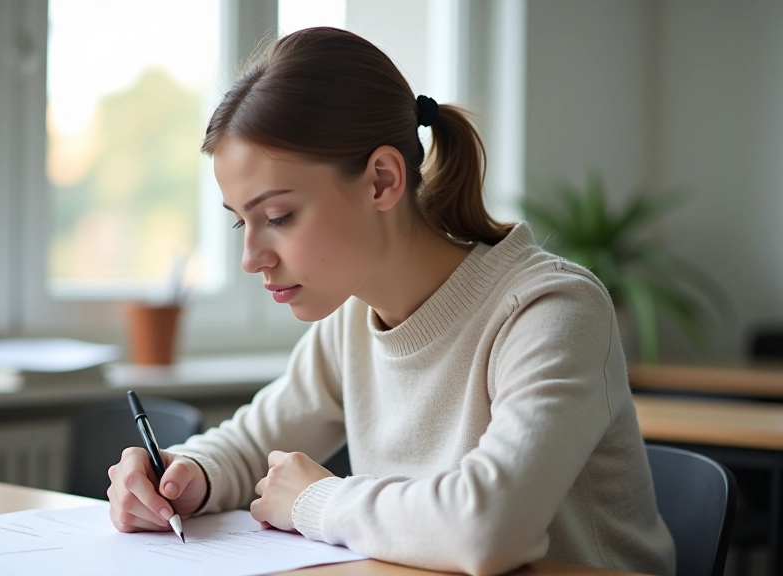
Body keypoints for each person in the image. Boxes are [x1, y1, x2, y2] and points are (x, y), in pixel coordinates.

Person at [106, 27, 674, 576]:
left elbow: (488, 529)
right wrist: (183, 475)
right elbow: (256, 442)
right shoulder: (351, 318)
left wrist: (317, 500)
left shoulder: (552, 311)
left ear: (381, 180)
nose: (251, 258)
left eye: (277, 217)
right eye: (242, 224)